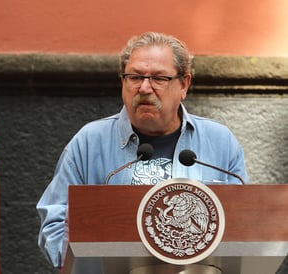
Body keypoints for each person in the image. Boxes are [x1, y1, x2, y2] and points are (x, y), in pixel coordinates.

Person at [36, 31, 249, 268]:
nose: (145, 88)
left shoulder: (220, 143)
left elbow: (243, 227)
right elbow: (53, 228)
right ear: (122, 82)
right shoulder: (88, 143)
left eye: (159, 78)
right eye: (135, 77)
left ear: (184, 84)